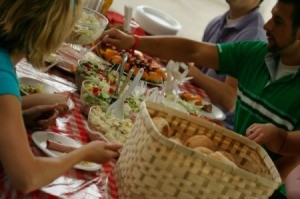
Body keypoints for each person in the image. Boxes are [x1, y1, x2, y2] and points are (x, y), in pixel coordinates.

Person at [100, 0, 300, 197]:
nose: (267, 25)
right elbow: (193, 50)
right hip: (228, 173)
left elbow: (293, 158)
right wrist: (134, 42)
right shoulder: (255, 54)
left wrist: (263, 182)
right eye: (271, 16)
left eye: (279, 21)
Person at [0, 0, 121, 193]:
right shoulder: (3, 73)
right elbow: (27, 177)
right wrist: (84, 153)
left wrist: (20, 116)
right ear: (49, 31)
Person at [189, 0, 266, 130]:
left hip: (221, 127)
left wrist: (193, 73)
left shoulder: (254, 38)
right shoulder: (218, 22)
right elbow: (198, 67)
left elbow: (231, 98)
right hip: (198, 108)